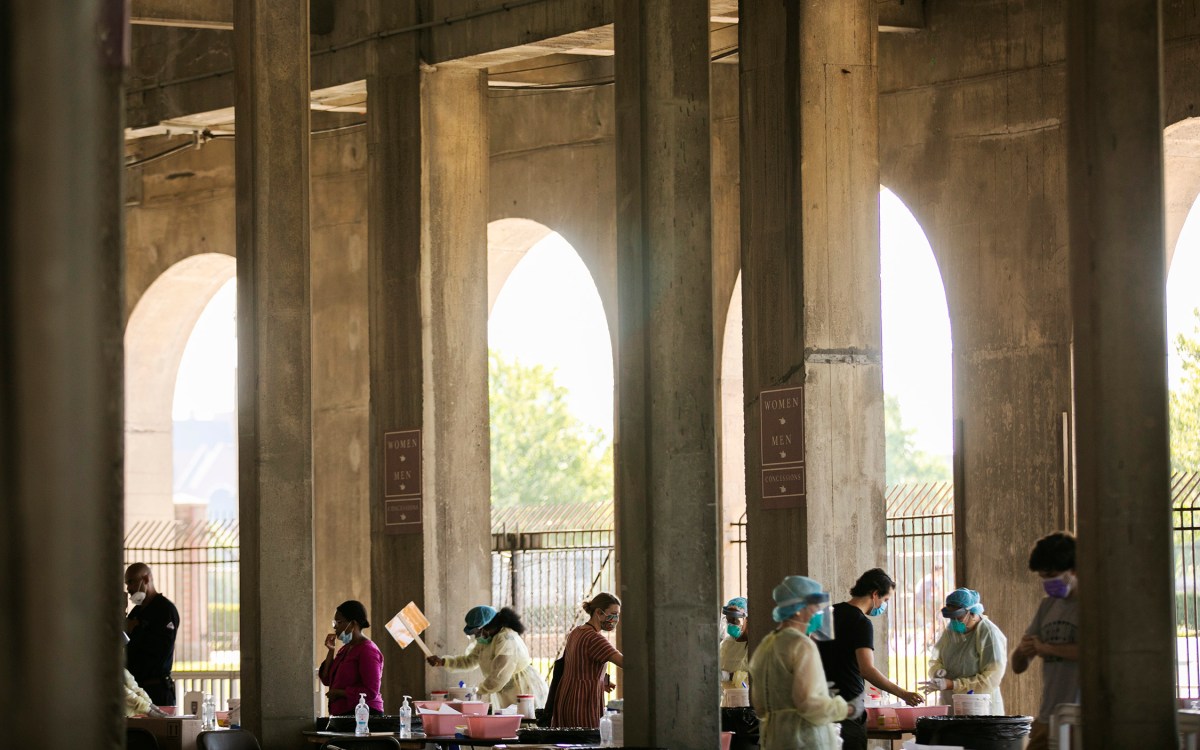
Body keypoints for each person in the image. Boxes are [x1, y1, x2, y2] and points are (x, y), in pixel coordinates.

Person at [749, 575, 861, 750]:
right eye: (815, 607)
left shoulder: (767, 644)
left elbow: (760, 706)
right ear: (798, 609)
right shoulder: (802, 644)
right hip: (804, 740)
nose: (819, 613)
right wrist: (847, 709)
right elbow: (809, 704)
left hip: (774, 739)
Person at [816, 568, 923, 750]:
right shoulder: (861, 623)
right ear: (875, 594)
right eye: (885, 600)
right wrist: (903, 694)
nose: (884, 605)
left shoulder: (827, 614)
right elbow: (867, 669)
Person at [1013, 532, 1079, 750]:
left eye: (1052, 575)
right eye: (1043, 578)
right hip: (1047, 716)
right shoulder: (1047, 606)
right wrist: (1023, 651)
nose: (1048, 583)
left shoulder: (1093, 605)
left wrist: (1046, 648)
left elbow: (1094, 653)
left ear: (1073, 569)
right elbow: (1018, 666)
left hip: (1079, 717)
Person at [427, 605, 549, 711]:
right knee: (512, 726)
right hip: (506, 690)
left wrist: (478, 691)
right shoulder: (486, 640)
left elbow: (501, 674)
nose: (476, 636)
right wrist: (443, 662)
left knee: (527, 725)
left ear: (489, 626)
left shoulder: (506, 639)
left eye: (477, 632)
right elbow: (469, 661)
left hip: (523, 688)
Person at [920, 588, 1008, 712]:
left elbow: (991, 678)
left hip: (979, 708)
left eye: (958, 617)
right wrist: (939, 671)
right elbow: (937, 657)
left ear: (972, 612)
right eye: (951, 618)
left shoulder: (987, 633)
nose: (954, 621)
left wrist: (953, 684)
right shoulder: (952, 631)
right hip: (952, 704)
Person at [551, 592, 624, 728]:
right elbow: (625, 662)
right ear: (599, 612)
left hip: (566, 698)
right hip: (583, 703)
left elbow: (579, 665)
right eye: (613, 614)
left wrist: (601, 681)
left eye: (618, 615)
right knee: (586, 742)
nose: (616, 619)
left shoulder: (577, 632)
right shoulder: (594, 638)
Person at [124, 562, 180, 708]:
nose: (128, 588)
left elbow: (160, 650)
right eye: (127, 584)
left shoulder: (164, 610)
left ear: (146, 579)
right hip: (136, 689)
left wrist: (136, 630)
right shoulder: (136, 612)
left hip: (156, 689)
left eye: (131, 582)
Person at [319, 600, 385, 716]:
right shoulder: (345, 649)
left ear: (353, 624)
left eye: (338, 623)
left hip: (364, 715)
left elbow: (371, 691)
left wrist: (340, 693)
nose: (335, 628)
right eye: (334, 623)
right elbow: (326, 679)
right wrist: (331, 651)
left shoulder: (368, 650)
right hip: (343, 713)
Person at [719, 596, 750, 695]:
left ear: (747, 620)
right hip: (726, 700)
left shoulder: (754, 646)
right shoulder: (727, 643)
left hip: (744, 702)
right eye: (728, 620)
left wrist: (730, 676)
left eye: (735, 620)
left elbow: (754, 681)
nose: (730, 624)